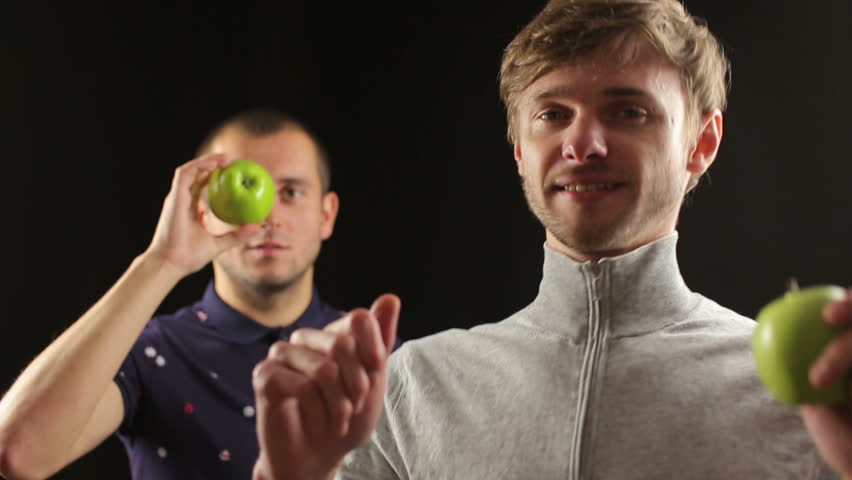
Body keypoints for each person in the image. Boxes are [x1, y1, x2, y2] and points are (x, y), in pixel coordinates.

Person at [249, 1, 852, 479]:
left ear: (701, 143)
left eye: (628, 112)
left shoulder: (809, 399)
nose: (582, 145)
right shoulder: (413, 386)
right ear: (518, 148)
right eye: (552, 114)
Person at [0, 108, 401, 480]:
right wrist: (163, 260)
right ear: (204, 210)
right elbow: (17, 452)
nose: (267, 216)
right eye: (249, 185)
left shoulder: (376, 357)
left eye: (291, 192)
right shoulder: (151, 352)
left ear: (326, 215)